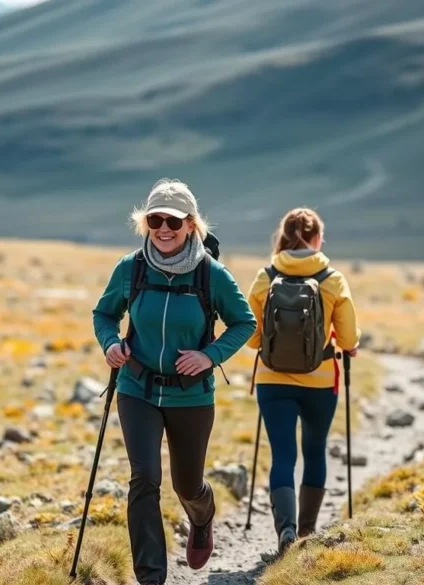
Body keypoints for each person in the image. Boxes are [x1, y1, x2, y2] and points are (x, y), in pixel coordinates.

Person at [92, 179, 256, 585]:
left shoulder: (211, 275)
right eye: (155, 219)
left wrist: (209, 356)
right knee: (144, 478)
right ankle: (151, 577)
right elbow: (104, 314)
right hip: (137, 389)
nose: (164, 228)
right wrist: (111, 343)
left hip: (192, 397)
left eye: (174, 221)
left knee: (187, 484)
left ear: (191, 225)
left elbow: (244, 322)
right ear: (144, 222)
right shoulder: (130, 268)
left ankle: (202, 518)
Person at [243, 207, 360, 554]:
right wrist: (348, 346)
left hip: (272, 381)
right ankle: (307, 532)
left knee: (282, 455)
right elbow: (349, 339)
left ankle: (286, 530)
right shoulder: (333, 279)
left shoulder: (266, 277)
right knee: (314, 450)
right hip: (320, 382)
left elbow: (251, 337)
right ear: (316, 238)